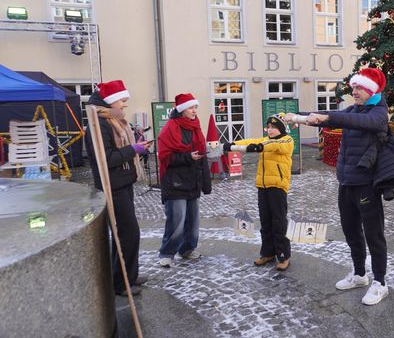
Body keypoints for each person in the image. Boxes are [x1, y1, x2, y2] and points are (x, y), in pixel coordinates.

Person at [285, 67, 391, 306]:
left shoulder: (379, 113)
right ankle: (359, 275)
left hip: (367, 184)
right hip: (347, 181)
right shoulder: (354, 109)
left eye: (359, 87)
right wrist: (296, 115)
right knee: (351, 231)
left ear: (371, 90)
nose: (354, 91)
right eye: (353, 87)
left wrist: (328, 119)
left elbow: (350, 119)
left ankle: (380, 282)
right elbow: (331, 113)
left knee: (374, 235)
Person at [85, 80, 151, 296]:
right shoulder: (99, 123)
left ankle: (126, 276)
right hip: (111, 186)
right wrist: (133, 150)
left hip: (123, 183)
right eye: (123, 101)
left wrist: (137, 147)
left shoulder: (114, 120)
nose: (125, 105)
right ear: (112, 101)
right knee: (128, 233)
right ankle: (122, 282)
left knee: (125, 234)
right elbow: (106, 157)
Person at [223, 113, 295, 270]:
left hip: (277, 186)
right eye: (268, 127)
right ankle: (268, 253)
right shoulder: (265, 140)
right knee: (266, 221)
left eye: (274, 127)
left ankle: (283, 255)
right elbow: (252, 141)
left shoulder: (287, 140)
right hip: (262, 186)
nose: (270, 130)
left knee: (279, 222)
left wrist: (260, 147)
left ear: (281, 128)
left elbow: (275, 145)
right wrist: (234, 144)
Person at [157, 93, 212, 267]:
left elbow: (201, 153)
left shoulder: (195, 126)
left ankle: (187, 249)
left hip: (193, 179)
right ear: (182, 110)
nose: (194, 111)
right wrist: (188, 157)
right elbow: (166, 157)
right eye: (191, 107)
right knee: (177, 221)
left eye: (195, 107)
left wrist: (205, 182)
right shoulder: (170, 128)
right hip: (175, 182)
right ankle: (167, 253)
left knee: (192, 220)